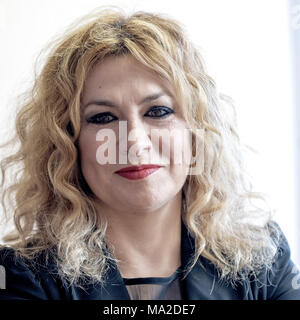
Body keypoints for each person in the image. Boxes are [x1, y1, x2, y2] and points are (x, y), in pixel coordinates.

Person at [0, 7, 299, 300]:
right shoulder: (21, 276)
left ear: (196, 133)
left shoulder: (265, 264)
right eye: (103, 117)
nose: (135, 143)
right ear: (67, 143)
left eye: (158, 111)